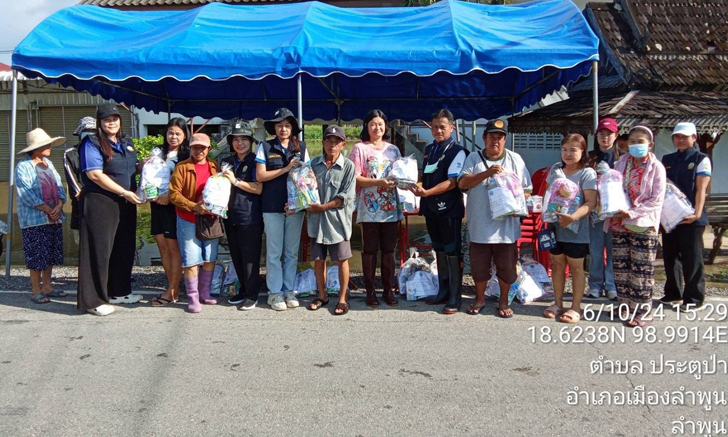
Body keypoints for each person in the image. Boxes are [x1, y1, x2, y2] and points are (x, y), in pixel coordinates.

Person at [458, 119, 532, 318]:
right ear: (484, 138)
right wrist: (487, 173)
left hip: (506, 227)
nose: (495, 141)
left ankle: (503, 300)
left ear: (505, 139)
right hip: (480, 225)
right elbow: (462, 183)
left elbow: (527, 189)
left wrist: (517, 203)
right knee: (479, 266)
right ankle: (479, 298)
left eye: (499, 137)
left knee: (507, 267)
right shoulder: (473, 158)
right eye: (492, 136)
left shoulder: (515, 159)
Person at [77, 103, 143, 316]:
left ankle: (120, 291)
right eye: (106, 119)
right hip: (101, 202)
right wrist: (123, 192)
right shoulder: (92, 143)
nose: (111, 122)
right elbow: (95, 174)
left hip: (125, 202)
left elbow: (130, 167)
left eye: (114, 118)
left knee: (123, 247)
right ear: (99, 123)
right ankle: (94, 300)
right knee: (99, 250)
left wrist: (148, 165)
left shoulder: (126, 142)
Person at [603, 126, 666, 327]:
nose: (635, 145)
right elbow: (612, 188)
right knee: (621, 267)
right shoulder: (621, 162)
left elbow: (656, 200)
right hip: (619, 223)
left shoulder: (657, 168)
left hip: (643, 224)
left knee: (641, 269)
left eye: (640, 141)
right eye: (631, 141)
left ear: (650, 144)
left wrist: (630, 213)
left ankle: (643, 310)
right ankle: (625, 305)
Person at [410, 109, 467, 314]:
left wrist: (427, 192)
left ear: (452, 127)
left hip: (449, 209)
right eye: (434, 126)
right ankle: (443, 291)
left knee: (452, 250)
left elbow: (452, 182)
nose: (438, 130)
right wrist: (413, 186)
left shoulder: (457, 151)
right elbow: (426, 176)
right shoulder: (430, 149)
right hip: (430, 207)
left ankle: (455, 296)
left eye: (443, 126)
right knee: (439, 249)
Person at [255, 108, 310, 311]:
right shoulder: (265, 147)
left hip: (295, 208)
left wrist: (298, 203)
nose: (283, 129)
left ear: (292, 128)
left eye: (287, 125)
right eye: (279, 125)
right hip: (271, 206)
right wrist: (286, 168)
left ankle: (289, 290)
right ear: (275, 128)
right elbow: (260, 176)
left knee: (291, 252)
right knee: (274, 252)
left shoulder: (301, 147)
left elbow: (307, 179)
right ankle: (274, 293)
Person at [541, 134, 597, 323]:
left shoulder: (587, 174)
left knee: (576, 268)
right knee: (556, 265)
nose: (568, 154)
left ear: (582, 151)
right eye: (565, 149)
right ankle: (557, 303)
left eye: (573, 150)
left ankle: (575, 307)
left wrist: (572, 217)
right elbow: (547, 194)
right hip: (554, 227)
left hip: (577, 229)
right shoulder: (556, 169)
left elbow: (591, 202)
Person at [349, 109, 402, 307]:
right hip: (369, 208)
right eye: (373, 124)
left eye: (380, 124)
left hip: (390, 208)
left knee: (389, 250)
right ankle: (370, 291)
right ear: (367, 127)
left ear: (385, 126)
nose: (377, 127)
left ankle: (388, 291)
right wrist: (379, 182)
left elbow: (400, 175)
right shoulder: (359, 149)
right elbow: (355, 178)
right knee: (369, 250)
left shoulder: (393, 150)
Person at [306, 126, 357, 315]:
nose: (332, 145)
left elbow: (346, 195)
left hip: (338, 223)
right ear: (323, 142)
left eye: (337, 142)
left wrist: (323, 207)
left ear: (343, 145)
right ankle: (322, 295)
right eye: (329, 141)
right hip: (316, 222)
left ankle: (343, 298)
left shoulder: (349, 167)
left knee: (342, 259)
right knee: (319, 260)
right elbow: (305, 190)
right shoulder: (312, 164)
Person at [661, 122, 710, 311]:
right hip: (670, 217)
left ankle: (694, 298)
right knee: (670, 256)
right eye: (677, 136)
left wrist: (697, 213)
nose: (680, 140)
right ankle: (673, 292)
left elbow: (701, 188)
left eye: (684, 136)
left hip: (691, 217)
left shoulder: (701, 159)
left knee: (692, 257)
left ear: (694, 138)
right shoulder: (667, 158)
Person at [169, 133, 220, 313]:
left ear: (208, 149)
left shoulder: (214, 165)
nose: (199, 151)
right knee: (191, 259)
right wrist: (193, 206)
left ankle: (204, 293)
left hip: (210, 219)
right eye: (195, 147)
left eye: (203, 148)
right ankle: (193, 297)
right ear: (190, 148)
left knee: (210, 257)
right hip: (188, 218)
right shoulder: (182, 167)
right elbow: (174, 194)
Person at [15, 128, 67, 304]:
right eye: (46, 145)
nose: (50, 147)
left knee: (50, 253)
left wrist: (59, 204)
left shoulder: (48, 164)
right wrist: (47, 208)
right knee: (36, 256)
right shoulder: (23, 166)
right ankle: (36, 290)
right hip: (35, 219)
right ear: (35, 148)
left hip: (53, 216)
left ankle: (47, 286)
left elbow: (59, 186)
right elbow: (25, 193)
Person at [221, 121, 263, 311]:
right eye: (236, 140)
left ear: (251, 142)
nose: (240, 144)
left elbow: (258, 188)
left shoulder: (256, 161)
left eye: (244, 139)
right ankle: (243, 289)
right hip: (230, 216)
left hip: (250, 216)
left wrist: (235, 181)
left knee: (250, 257)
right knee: (236, 256)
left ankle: (252, 294)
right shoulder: (227, 161)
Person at [149, 118, 189, 307]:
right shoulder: (158, 152)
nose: (173, 136)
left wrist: (169, 196)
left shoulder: (186, 155)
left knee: (174, 249)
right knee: (162, 247)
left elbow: (187, 185)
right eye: (170, 132)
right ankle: (172, 286)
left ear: (184, 136)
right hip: (156, 204)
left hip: (174, 207)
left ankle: (172, 289)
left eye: (178, 133)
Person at [586, 118, 620, 300]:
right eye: (601, 134)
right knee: (596, 250)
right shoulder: (589, 158)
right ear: (596, 135)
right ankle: (595, 285)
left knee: (614, 250)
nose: (605, 137)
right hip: (594, 212)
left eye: (609, 134)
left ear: (616, 135)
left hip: (616, 213)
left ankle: (612, 285)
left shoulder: (624, 158)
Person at [63, 116, 95, 245]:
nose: (91, 133)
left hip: (102, 202)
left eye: (93, 130)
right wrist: (82, 192)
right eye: (87, 130)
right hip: (80, 202)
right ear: (80, 133)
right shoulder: (71, 153)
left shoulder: (104, 151)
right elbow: (71, 179)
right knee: (83, 243)